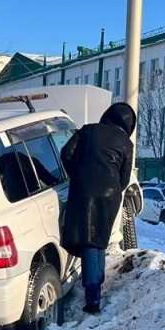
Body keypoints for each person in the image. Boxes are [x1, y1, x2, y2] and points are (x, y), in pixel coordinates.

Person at [60, 102, 137, 313]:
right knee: (99, 240)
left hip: (84, 189)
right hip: (110, 195)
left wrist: (77, 173)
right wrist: (112, 188)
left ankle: (92, 298)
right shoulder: (126, 143)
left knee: (88, 241)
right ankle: (96, 287)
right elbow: (124, 177)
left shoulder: (88, 130)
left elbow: (66, 153)